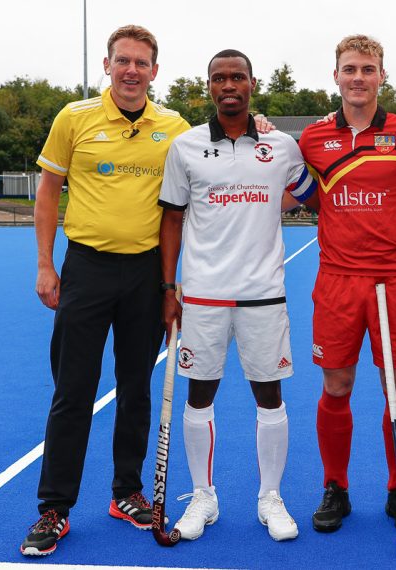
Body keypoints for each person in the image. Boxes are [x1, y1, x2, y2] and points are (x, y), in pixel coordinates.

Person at [20, 25, 192, 557]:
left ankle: (127, 492)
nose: (131, 71)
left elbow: (202, 176)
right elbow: (48, 193)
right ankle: (55, 507)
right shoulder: (74, 118)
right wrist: (45, 264)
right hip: (87, 269)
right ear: (107, 65)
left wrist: (260, 125)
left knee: (135, 389)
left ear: (155, 71)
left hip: (146, 274)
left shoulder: (175, 127)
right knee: (73, 391)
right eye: (123, 61)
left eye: (141, 63)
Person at [158, 50, 316, 543]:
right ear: (208, 86)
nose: (229, 85)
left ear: (252, 83)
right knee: (199, 394)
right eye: (219, 78)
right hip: (204, 296)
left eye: (238, 77)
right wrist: (169, 288)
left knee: (269, 396)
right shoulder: (185, 146)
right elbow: (172, 219)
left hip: (263, 295)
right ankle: (202, 495)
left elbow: (314, 195)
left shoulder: (281, 145)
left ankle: (270, 497)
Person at [298, 35, 396, 536]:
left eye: (368, 69)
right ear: (335, 75)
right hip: (337, 281)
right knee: (336, 387)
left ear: (382, 76)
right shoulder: (312, 138)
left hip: (395, 280)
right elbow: (297, 188)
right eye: (350, 69)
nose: (359, 77)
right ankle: (336, 487)